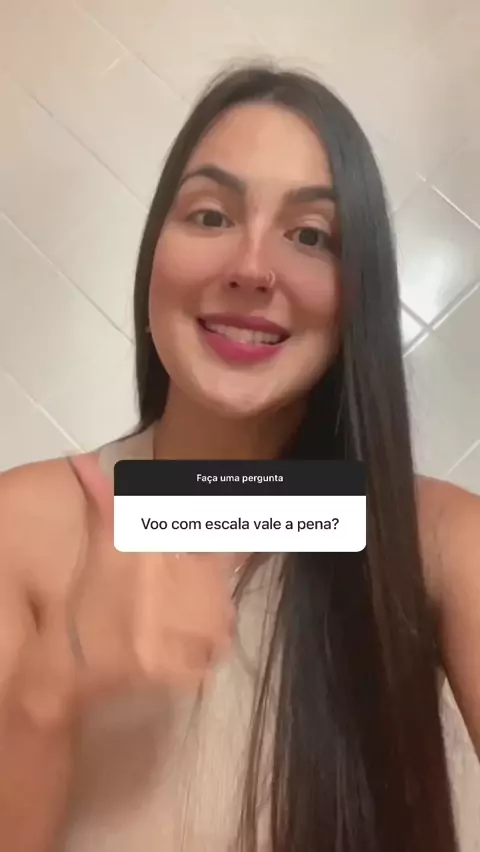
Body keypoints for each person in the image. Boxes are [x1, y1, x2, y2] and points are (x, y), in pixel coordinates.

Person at [0, 64, 479, 852]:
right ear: (154, 257)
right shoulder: (23, 525)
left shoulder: (442, 539)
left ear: (356, 295)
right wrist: (51, 688)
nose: (252, 268)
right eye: (211, 215)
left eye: (310, 235)